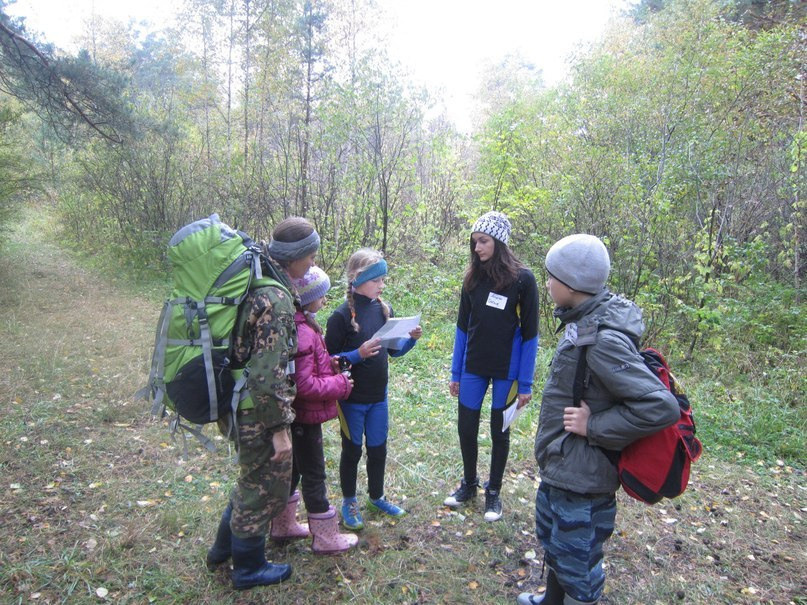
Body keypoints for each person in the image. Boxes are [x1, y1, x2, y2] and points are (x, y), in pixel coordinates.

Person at [517, 234, 680, 605]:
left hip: (585, 478)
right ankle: (551, 600)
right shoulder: (580, 320)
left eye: (551, 276)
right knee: (556, 544)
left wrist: (594, 426)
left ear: (572, 285)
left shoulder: (603, 339)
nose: (547, 283)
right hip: (563, 465)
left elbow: (660, 406)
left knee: (580, 563)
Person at [205, 217, 319, 590]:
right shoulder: (277, 299)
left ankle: (223, 550)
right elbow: (268, 375)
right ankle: (248, 567)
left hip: (243, 401)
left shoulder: (260, 283)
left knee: (249, 479)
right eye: (311, 254)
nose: (314, 260)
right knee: (261, 486)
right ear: (296, 256)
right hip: (257, 409)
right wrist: (280, 430)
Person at [444, 211, 539, 522]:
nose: (477, 248)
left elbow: (530, 335)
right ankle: (469, 484)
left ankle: (493, 492)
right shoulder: (472, 278)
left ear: (499, 242)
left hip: (507, 371)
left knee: (500, 431)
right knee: (466, 427)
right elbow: (461, 328)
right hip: (473, 365)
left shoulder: (523, 280)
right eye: (474, 242)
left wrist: (525, 383)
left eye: (483, 241)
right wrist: (455, 373)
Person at [325, 248, 422, 530]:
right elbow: (329, 363)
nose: (382, 285)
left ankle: (377, 496)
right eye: (377, 280)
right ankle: (349, 500)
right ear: (358, 280)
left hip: (379, 397)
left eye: (383, 280)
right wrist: (358, 354)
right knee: (352, 450)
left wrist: (411, 340)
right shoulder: (340, 317)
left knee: (378, 449)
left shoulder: (384, 309)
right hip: (351, 398)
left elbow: (393, 352)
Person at [269, 266, 359, 554]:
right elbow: (305, 385)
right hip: (304, 416)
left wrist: (328, 365)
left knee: (294, 470)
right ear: (306, 298)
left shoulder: (303, 326)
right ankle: (325, 537)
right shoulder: (304, 332)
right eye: (320, 296)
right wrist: (341, 384)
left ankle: (282, 525)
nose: (324, 301)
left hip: (296, 415)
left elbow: (304, 371)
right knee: (314, 473)